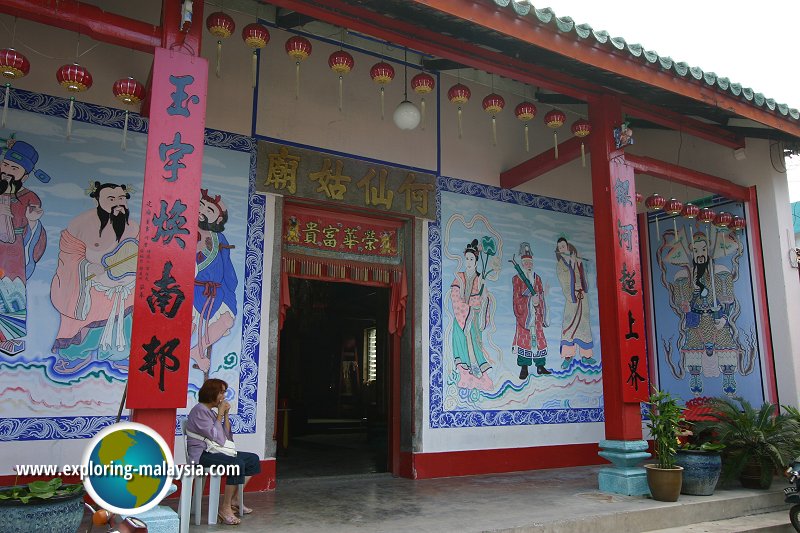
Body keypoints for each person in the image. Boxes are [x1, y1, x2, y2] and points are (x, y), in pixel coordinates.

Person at [50, 182, 138, 373]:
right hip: (90, 284)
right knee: (84, 315)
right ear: (97, 199)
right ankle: (76, 355)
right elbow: (69, 255)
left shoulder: (133, 227)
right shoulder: (80, 224)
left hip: (124, 287)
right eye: (111, 199)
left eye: (121, 199)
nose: (118, 204)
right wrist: (88, 267)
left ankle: (120, 354)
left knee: (126, 317)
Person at [186, 378, 261, 525]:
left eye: (224, 392)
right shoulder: (199, 410)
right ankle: (225, 508)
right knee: (236, 464)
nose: (224, 396)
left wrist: (225, 415)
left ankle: (235, 500)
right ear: (211, 393)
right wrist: (220, 414)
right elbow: (215, 436)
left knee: (252, 459)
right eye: (221, 392)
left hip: (214, 452)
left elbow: (226, 436)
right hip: (202, 455)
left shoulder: (211, 412)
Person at [672, 231, 737, 395]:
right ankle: (695, 387)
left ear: (708, 250)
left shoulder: (720, 272)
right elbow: (682, 303)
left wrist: (723, 318)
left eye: (703, 250)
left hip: (716, 318)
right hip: (696, 320)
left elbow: (728, 300)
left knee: (725, 349)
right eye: (696, 251)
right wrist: (689, 296)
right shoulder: (685, 276)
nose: (700, 255)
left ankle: (729, 385)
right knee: (693, 354)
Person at [0, 140, 46, 356]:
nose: (8, 171)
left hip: (13, 252)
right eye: (6, 165)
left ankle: (6, 339)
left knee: (11, 291)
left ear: (24, 176)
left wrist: (33, 222)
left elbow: (35, 231)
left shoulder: (29, 197)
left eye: (14, 169)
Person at [191, 189, 237, 374]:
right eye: (201, 207)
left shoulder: (220, 239)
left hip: (217, 290)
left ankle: (197, 350)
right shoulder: (188, 232)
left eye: (209, 211)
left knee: (227, 320)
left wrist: (230, 288)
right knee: (189, 325)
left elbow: (227, 266)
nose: (202, 212)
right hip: (193, 289)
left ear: (218, 220)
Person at [450, 238, 492, 377]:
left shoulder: (480, 278)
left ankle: (475, 364)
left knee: (473, 331)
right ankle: (463, 363)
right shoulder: (459, 277)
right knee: (458, 325)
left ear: (476, 261)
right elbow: (455, 296)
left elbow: (485, 298)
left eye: (471, 259)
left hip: (475, 313)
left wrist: (483, 290)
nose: (468, 262)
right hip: (462, 312)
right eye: (467, 259)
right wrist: (465, 311)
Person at [511, 242, 551, 379]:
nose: (529, 264)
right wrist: (528, 302)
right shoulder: (517, 279)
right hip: (525, 316)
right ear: (522, 263)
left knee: (540, 339)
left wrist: (541, 298)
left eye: (530, 262)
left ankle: (540, 366)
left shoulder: (537, 278)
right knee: (524, 341)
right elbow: (517, 297)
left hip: (537, 315)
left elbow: (540, 293)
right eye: (526, 262)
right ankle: (524, 368)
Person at [555, 237, 596, 369]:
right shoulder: (561, 265)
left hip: (582, 295)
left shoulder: (576, 259)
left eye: (563, 246)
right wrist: (571, 296)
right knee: (569, 326)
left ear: (567, 246)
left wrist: (579, 264)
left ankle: (586, 355)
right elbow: (564, 282)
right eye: (560, 247)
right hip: (571, 298)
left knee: (584, 325)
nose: (562, 248)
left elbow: (586, 275)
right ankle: (568, 356)